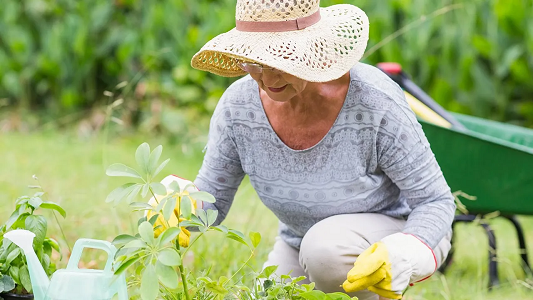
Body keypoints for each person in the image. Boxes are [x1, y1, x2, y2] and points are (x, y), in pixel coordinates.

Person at [160, 0, 455, 299]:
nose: (269, 80)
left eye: (283, 59)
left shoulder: (372, 101)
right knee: (269, 292)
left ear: (314, 48)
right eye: (256, 62)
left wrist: (406, 249)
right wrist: (179, 204)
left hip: (401, 234)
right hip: (298, 244)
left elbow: (436, 202)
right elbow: (212, 201)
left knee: (325, 251)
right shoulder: (239, 108)